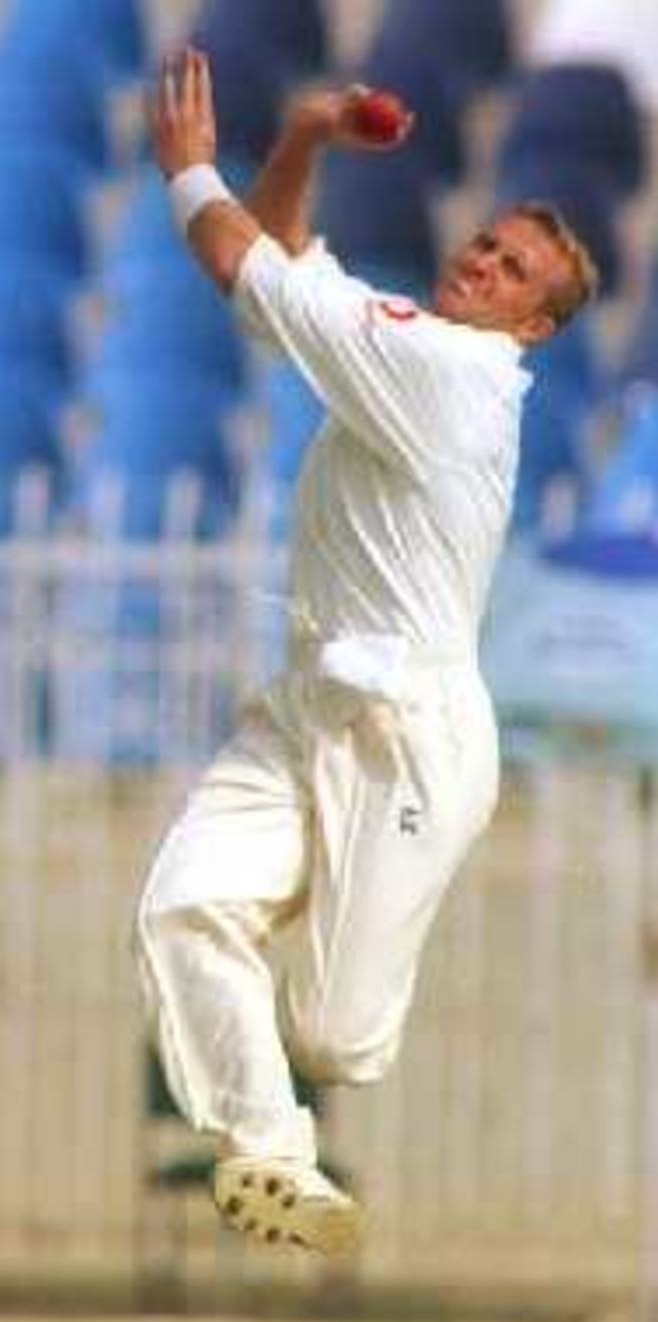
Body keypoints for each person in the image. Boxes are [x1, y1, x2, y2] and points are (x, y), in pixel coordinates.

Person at [134, 53, 599, 1256]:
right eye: (483, 244)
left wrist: (188, 166)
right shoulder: (403, 346)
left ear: (532, 324)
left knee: (335, 1035)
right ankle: (272, 1158)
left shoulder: (447, 372)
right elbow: (287, 267)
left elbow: (240, 263)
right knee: (184, 907)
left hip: (410, 739)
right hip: (307, 702)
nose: (477, 263)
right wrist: (297, 140)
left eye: (509, 270)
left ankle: (298, 1093)